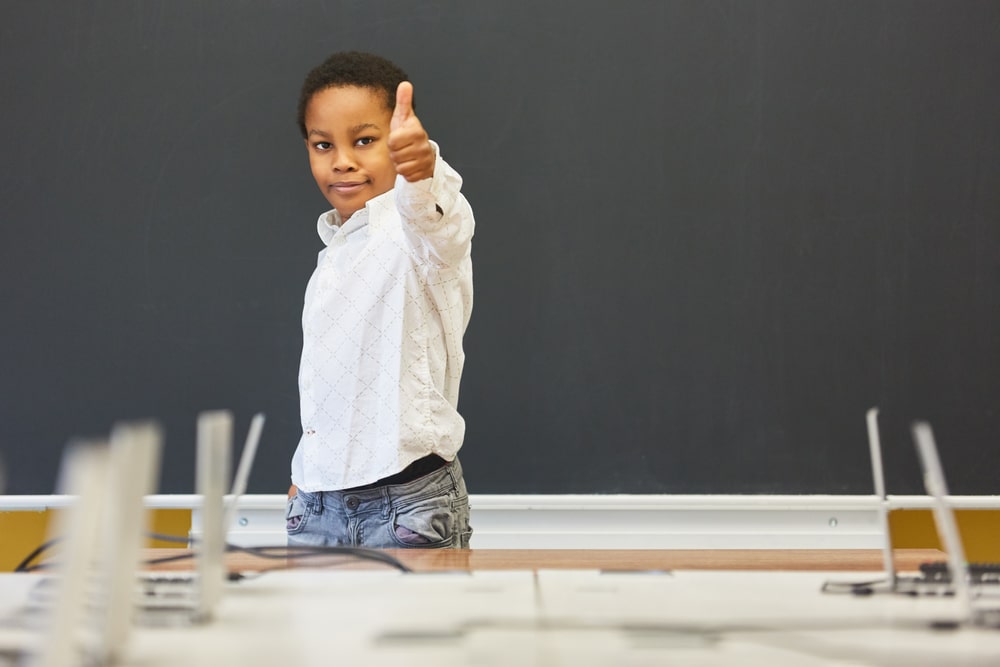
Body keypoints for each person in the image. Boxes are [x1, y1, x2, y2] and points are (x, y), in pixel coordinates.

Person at [285, 52, 474, 548]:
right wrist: (310, 474)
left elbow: (436, 214)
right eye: (322, 144)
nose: (342, 160)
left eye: (365, 141)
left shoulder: (416, 232)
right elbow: (335, 382)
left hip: (407, 506)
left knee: (412, 630)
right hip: (317, 506)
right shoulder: (334, 252)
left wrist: (421, 167)